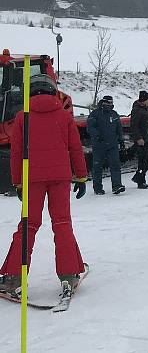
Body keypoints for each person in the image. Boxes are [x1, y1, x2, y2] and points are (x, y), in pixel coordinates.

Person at [0, 74, 88, 297]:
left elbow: (17, 153)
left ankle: (13, 278)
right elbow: (75, 148)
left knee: (28, 226)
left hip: (33, 178)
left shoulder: (22, 117)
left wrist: (18, 181)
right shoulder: (64, 115)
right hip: (60, 177)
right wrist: (81, 176)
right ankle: (69, 276)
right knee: (62, 223)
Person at [87, 95, 125, 195]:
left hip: (112, 145)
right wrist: (97, 136)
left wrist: (121, 140)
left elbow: (119, 128)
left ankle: (117, 186)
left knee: (115, 165)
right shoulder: (95, 114)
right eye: (108, 103)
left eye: (111, 103)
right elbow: (90, 127)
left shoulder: (114, 114)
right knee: (98, 167)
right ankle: (98, 188)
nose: (110, 104)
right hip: (99, 145)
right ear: (103, 102)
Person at [130, 91, 148, 189]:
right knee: (143, 160)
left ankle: (138, 176)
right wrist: (138, 138)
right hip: (143, 140)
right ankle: (141, 181)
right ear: (144, 100)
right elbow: (134, 126)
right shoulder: (137, 110)